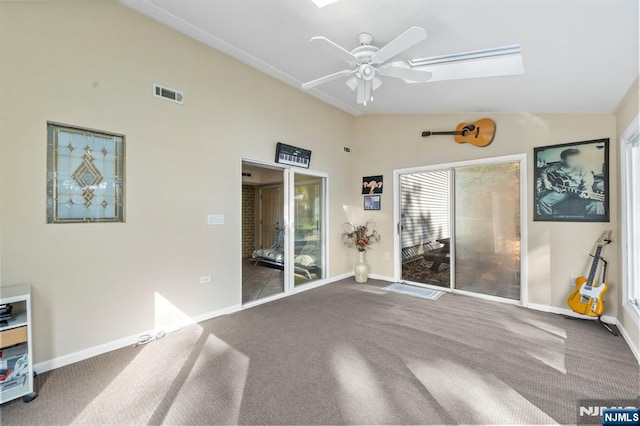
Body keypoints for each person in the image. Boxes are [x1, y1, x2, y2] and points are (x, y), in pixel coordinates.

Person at [538, 148, 604, 216]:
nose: (575, 162)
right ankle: (549, 220)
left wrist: (586, 191)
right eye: (571, 160)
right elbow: (544, 172)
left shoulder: (583, 168)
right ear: (563, 160)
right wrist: (546, 181)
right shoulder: (557, 166)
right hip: (561, 191)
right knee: (543, 202)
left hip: (578, 191)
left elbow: (587, 184)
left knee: (596, 204)